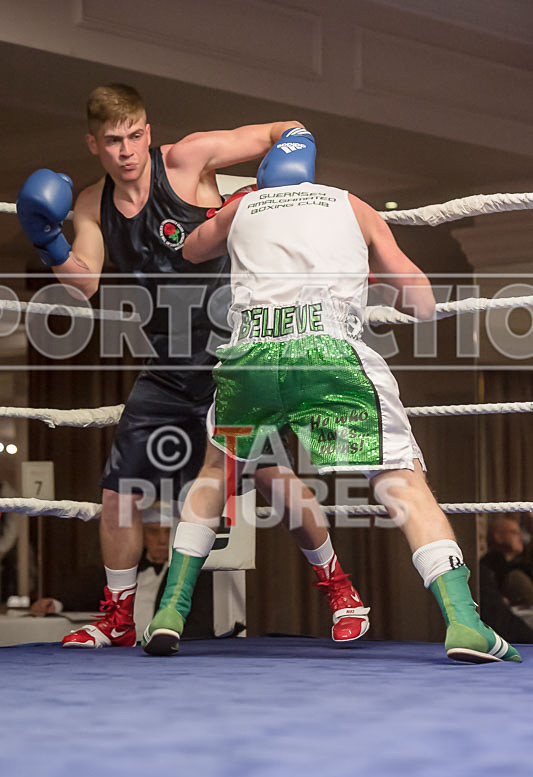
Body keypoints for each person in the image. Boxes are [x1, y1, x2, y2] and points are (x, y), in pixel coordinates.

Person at [142, 127, 522, 663]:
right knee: (402, 484)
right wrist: (363, 273)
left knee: (214, 475)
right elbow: (423, 304)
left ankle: (169, 612)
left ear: (264, 175)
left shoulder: (242, 206)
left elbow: (190, 245)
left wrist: (227, 212)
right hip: (329, 354)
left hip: (251, 355)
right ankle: (465, 622)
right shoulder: (354, 205)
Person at [17, 85, 367, 648]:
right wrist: (47, 241)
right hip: (168, 364)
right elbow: (85, 284)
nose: (127, 150)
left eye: (134, 135)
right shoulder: (90, 204)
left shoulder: (188, 158)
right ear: (94, 144)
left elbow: (283, 127)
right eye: (113, 141)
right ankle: (119, 617)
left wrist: (294, 144)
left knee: (275, 480)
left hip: (236, 355)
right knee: (119, 491)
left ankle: (340, 589)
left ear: (147, 132)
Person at [30, 514, 172, 641]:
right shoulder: (124, 564)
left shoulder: (190, 574)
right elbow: (89, 593)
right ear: (140, 535)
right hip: (120, 646)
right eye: (153, 532)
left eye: (169, 532)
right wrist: (55, 603)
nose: (162, 540)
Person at [481, 515, 533, 608]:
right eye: (514, 532)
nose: (521, 538)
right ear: (498, 537)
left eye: (521, 532)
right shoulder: (488, 565)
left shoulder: (521, 563)